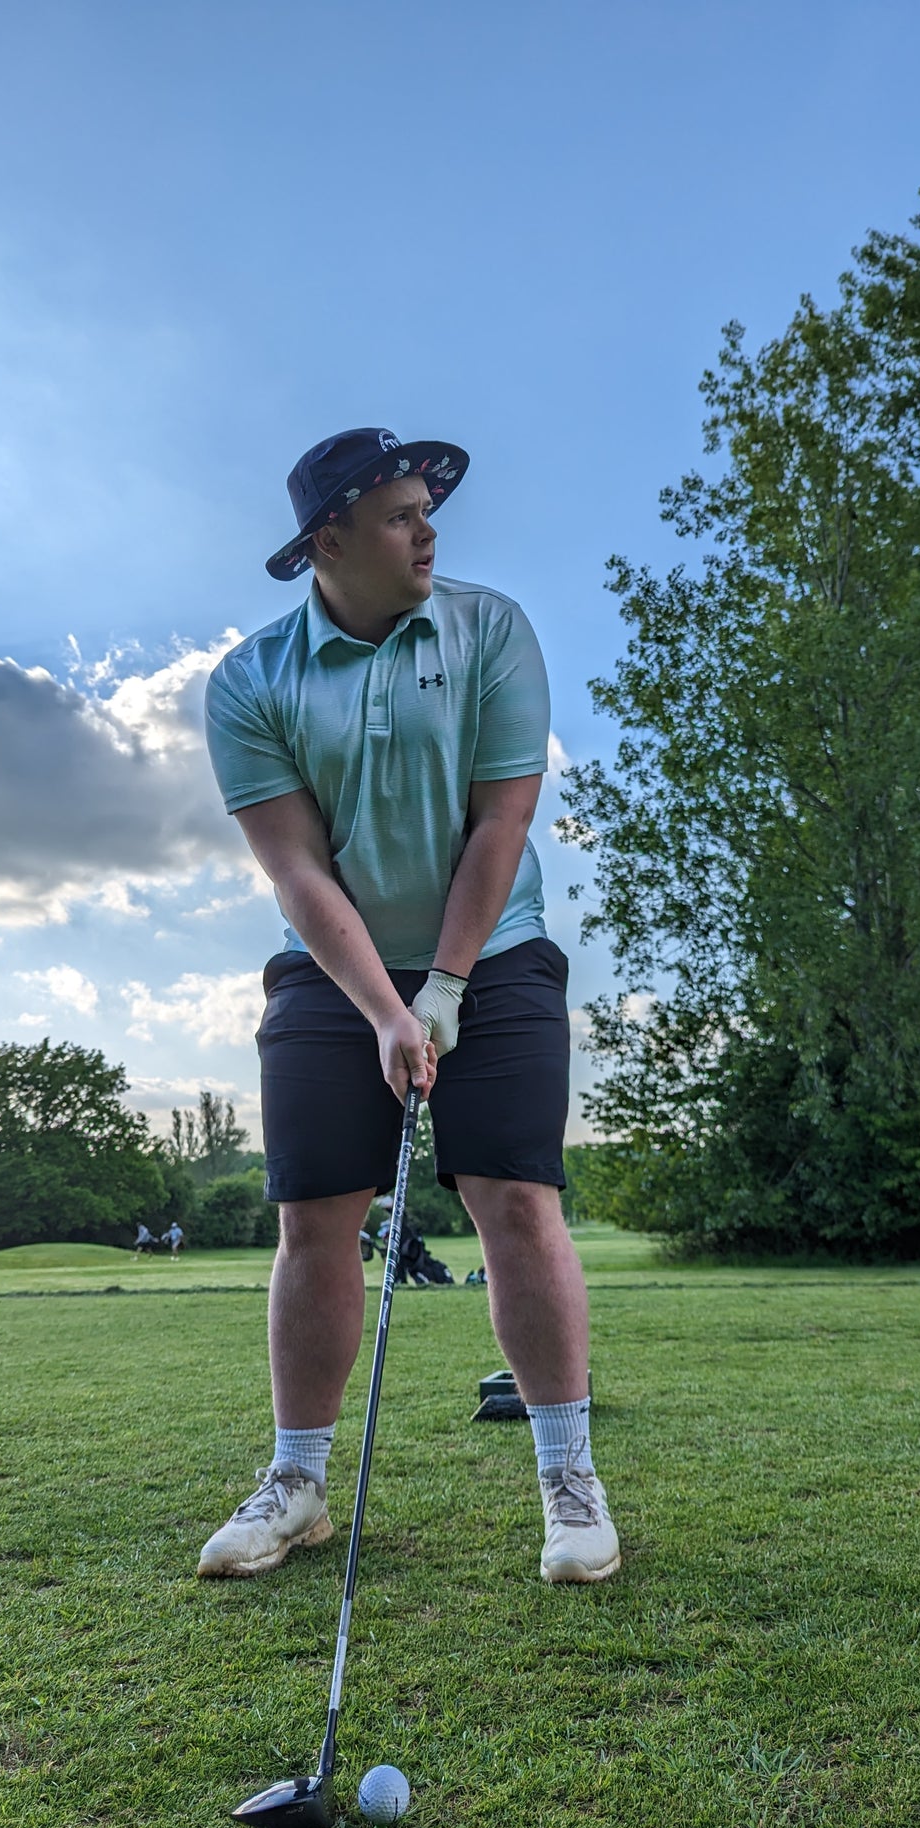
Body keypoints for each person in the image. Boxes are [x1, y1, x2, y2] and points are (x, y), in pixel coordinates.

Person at [197, 426, 618, 1586]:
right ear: (327, 540)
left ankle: (568, 1477)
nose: (426, 529)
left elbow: (500, 821)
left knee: (514, 1200)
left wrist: (442, 986)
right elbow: (295, 870)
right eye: (397, 514)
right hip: (333, 977)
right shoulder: (249, 680)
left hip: (498, 955)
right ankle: (296, 1483)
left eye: (426, 508)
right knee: (313, 1218)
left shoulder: (489, 628)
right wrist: (385, 1006)